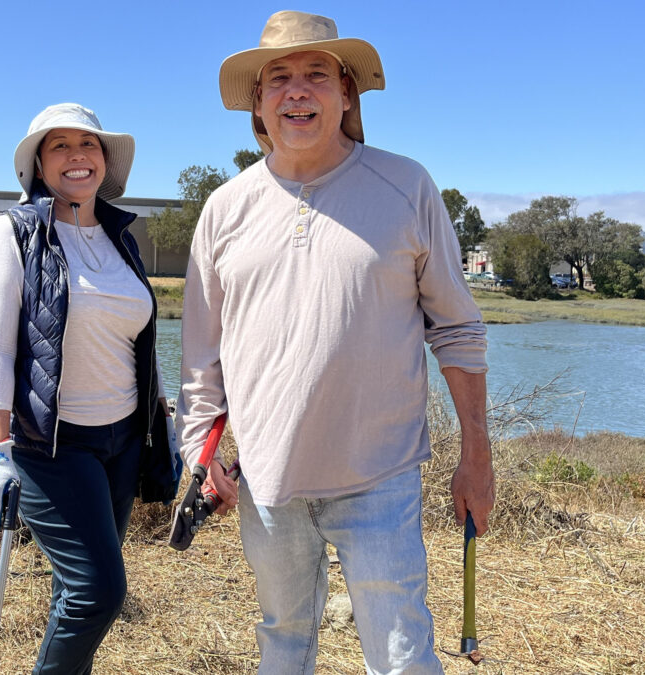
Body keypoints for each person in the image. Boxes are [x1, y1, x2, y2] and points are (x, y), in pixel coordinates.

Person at [177, 11, 495, 675]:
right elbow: (202, 358)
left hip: (378, 474)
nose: (298, 91)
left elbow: (458, 329)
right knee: (284, 643)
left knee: (403, 655)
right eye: (280, 79)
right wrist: (198, 455)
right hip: (267, 480)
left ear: (346, 93)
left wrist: (477, 456)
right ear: (259, 105)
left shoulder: (405, 187)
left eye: (316, 75)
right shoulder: (224, 209)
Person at [0, 103, 180, 674]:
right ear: (38, 163)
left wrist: (164, 425)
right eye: (59, 145)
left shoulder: (121, 239)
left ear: (105, 160)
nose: (77, 155)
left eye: (89, 143)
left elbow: (135, 342)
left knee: (74, 593)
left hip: (124, 442)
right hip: (53, 446)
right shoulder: (13, 235)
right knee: (98, 593)